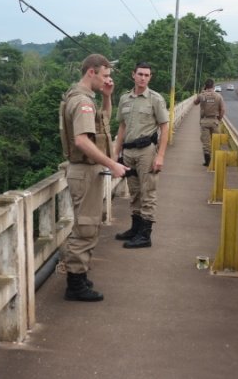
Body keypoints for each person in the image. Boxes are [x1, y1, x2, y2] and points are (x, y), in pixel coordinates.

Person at [59, 54, 129, 302]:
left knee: (89, 224)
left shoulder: (86, 99)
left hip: (88, 171)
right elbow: (81, 140)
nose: (108, 79)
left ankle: (81, 274)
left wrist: (107, 96)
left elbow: (104, 122)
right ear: (91, 72)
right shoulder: (81, 102)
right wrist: (112, 164)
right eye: (105, 75)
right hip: (85, 172)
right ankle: (75, 284)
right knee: (86, 227)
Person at [113, 61, 169, 249]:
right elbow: (122, 126)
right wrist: (116, 153)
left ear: (150, 77)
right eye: (140, 74)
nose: (143, 78)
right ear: (133, 75)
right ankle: (135, 229)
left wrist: (160, 156)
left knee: (148, 192)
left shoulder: (155, 99)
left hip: (147, 151)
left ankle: (145, 235)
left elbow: (164, 127)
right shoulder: (124, 99)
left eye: (147, 75)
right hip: (128, 152)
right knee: (134, 191)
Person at [193, 78, 226, 166]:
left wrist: (201, 92)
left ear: (205, 86)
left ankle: (207, 161)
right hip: (215, 121)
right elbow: (222, 109)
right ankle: (217, 160)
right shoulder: (218, 96)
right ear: (213, 86)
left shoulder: (202, 96)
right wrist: (219, 118)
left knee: (206, 142)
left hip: (205, 121)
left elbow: (195, 103)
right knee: (216, 140)